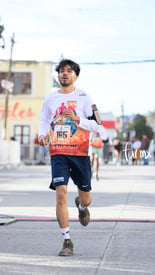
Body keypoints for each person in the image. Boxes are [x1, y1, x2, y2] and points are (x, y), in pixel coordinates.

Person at [38, 59, 106, 256]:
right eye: (61, 71)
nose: (64, 74)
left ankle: (82, 205)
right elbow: (43, 119)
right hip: (58, 152)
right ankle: (67, 241)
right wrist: (42, 135)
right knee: (60, 193)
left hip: (80, 152)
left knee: (85, 196)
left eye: (68, 71)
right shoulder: (51, 99)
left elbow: (98, 125)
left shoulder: (84, 97)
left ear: (76, 75)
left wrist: (77, 119)